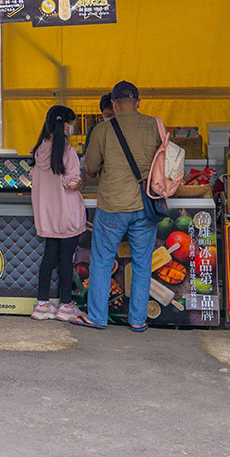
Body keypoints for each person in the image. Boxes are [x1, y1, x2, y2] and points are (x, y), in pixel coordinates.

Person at [71, 81, 161, 332]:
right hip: (146, 205)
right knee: (142, 263)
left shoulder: (103, 129)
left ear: (113, 104)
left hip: (112, 204)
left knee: (101, 260)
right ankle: (138, 319)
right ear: (138, 102)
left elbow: (90, 167)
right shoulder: (155, 126)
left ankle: (98, 317)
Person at [29, 106, 85, 321]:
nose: (72, 127)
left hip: (47, 217)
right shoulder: (68, 152)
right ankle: (65, 306)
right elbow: (71, 183)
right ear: (64, 125)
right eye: (71, 123)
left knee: (48, 257)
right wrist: (80, 183)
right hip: (67, 216)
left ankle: (42, 305)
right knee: (65, 261)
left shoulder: (38, 150)